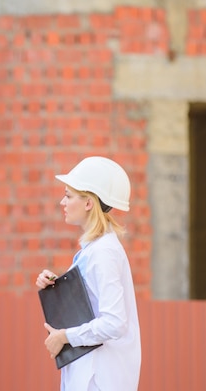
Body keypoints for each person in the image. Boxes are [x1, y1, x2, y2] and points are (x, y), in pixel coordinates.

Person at [35, 156, 141, 391]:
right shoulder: (95, 249)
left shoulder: (103, 252)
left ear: (88, 203)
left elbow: (114, 323)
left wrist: (65, 336)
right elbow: (90, 306)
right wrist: (58, 285)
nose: (62, 202)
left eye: (69, 195)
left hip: (100, 379)